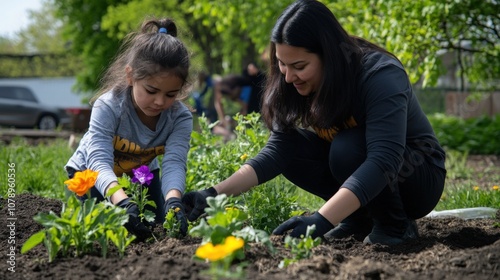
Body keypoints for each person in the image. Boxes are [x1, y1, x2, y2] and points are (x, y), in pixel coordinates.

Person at [182, 0, 446, 246]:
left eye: (298, 65)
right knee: (293, 150)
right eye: (281, 64)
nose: (287, 77)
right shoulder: (292, 82)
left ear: (328, 55)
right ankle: (357, 218)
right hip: (366, 172)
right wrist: (212, 194)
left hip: (416, 176)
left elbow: (384, 159)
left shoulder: (378, 75)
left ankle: (395, 226)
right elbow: (277, 151)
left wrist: (321, 220)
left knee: (347, 147)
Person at [65, 18, 192, 240]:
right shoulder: (109, 106)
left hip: (140, 174)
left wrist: (174, 201)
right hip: (91, 174)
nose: (160, 102)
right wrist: (122, 202)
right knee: (99, 232)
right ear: (131, 76)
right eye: (151, 90)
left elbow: (174, 162)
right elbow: (98, 160)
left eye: (171, 94)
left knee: (154, 231)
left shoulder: (179, 117)